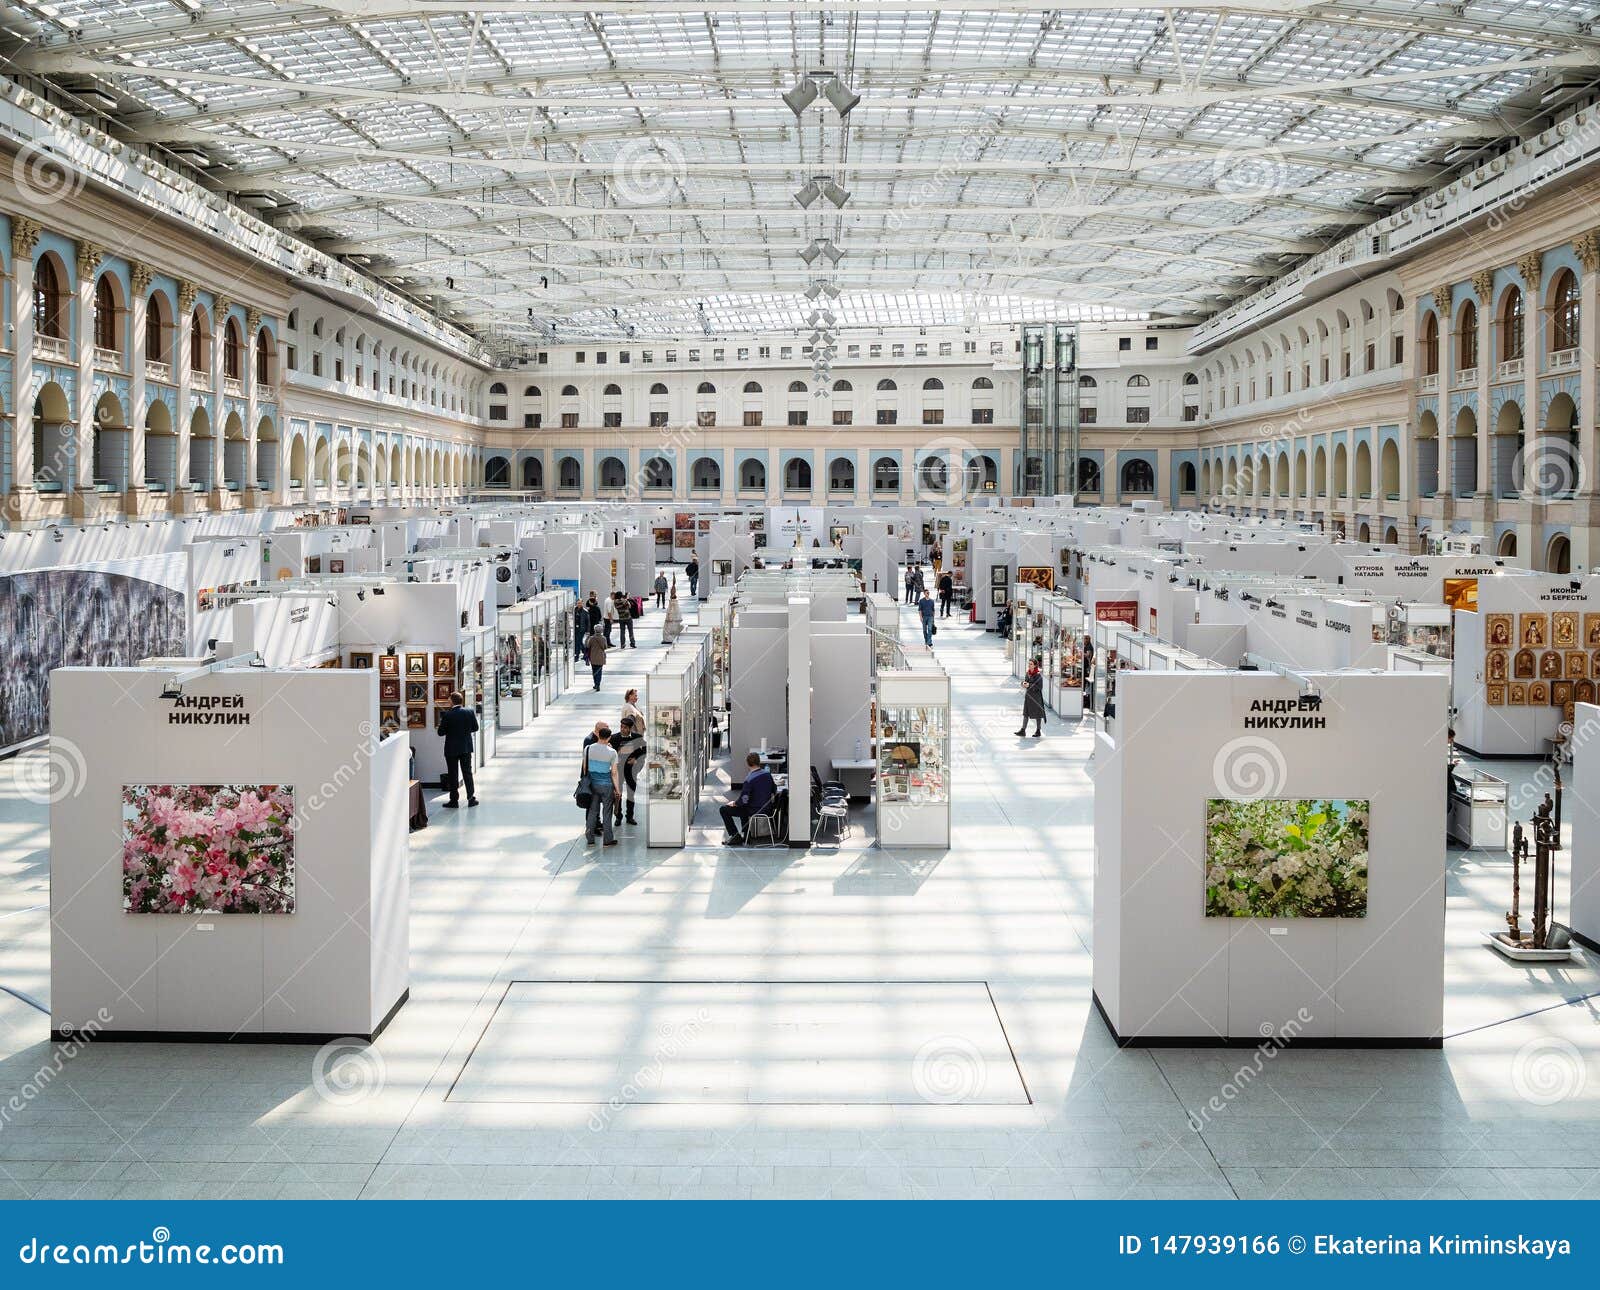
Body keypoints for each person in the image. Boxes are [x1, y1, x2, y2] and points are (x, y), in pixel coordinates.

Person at [720, 752, 775, 846]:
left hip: (754, 810)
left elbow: (744, 800)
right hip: (768, 809)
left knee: (724, 809)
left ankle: (735, 836)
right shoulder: (768, 775)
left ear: (748, 764)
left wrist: (734, 803)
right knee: (743, 808)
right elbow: (774, 789)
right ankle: (746, 835)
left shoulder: (749, 779)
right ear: (759, 762)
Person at [582, 722, 622, 846]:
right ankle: (607, 840)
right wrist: (617, 789)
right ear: (609, 738)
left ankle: (590, 838)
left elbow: (584, 768)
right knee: (607, 812)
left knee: (593, 811)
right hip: (606, 785)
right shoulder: (612, 752)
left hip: (592, 784)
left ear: (598, 734)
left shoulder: (588, 749)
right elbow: (614, 773)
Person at [438, 690, 480, 808]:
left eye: (449, 700)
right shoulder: (469, 712)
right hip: (466, 747)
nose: (448, 702)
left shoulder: (448, 714)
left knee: (453, 774)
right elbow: (475, 728)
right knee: (467, 773)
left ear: (452, 701)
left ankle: (454, 800)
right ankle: (471, 798)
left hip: (451, 749)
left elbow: (440, 732)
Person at [611, 715, 645, 826]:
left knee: (631, 794)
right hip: (619, 770)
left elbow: (644, 749)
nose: (622, 729)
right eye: (621, 727)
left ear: (630, 728)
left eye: (625, 727)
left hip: (631, 770)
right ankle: (618, 816)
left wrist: (636, 759)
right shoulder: (614, 738)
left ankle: (630, 816)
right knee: (618, 794)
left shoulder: (637, 737)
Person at [1015, 656, 1047, 738]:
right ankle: (1023, 730)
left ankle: (1038, 730)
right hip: (1028, 696)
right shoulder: (1028, 673)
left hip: (1036, 698)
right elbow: (1025, 682)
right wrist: (1023, 684)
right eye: (1029, 664)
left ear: (1035, 665)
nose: (1029, 665)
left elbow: (1039, 687)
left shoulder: (1038, 675)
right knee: (1026, 713)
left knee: (1037, 714)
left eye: (1031, 664)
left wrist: (1029, 685)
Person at [586, 620, 609, 689]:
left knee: (594, 671)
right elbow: (605, 647)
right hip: (600, 657)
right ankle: (598, 684)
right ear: (601, 631)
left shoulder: (592, 638)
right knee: (599, 671)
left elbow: (587, 646)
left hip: (593, 657)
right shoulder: (603, 638)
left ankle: (596, 683)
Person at [573, 598, 591, 662]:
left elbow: (588, 622)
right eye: (578, 603)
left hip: (582, 629)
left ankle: (577, 655)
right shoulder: (574, 610)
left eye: (580, 603)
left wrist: (588, 631)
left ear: (582, 603)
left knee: (578, 642)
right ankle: (585, 652)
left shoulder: (585, 611)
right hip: (576, 628)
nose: (579, 604)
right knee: (578, 642)